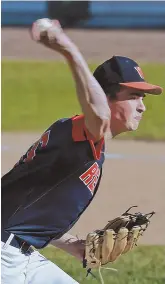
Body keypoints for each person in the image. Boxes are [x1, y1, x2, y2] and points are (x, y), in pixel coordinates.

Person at [1, 18, 163, 284]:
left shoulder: (80, 139)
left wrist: (72, 245)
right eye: (133, 96)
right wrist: (67, 47)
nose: (142, 107)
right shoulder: (83, 133)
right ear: (104, 95)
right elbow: (97, 111)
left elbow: (30, 212)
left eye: (143, 98)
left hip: (21, 253)